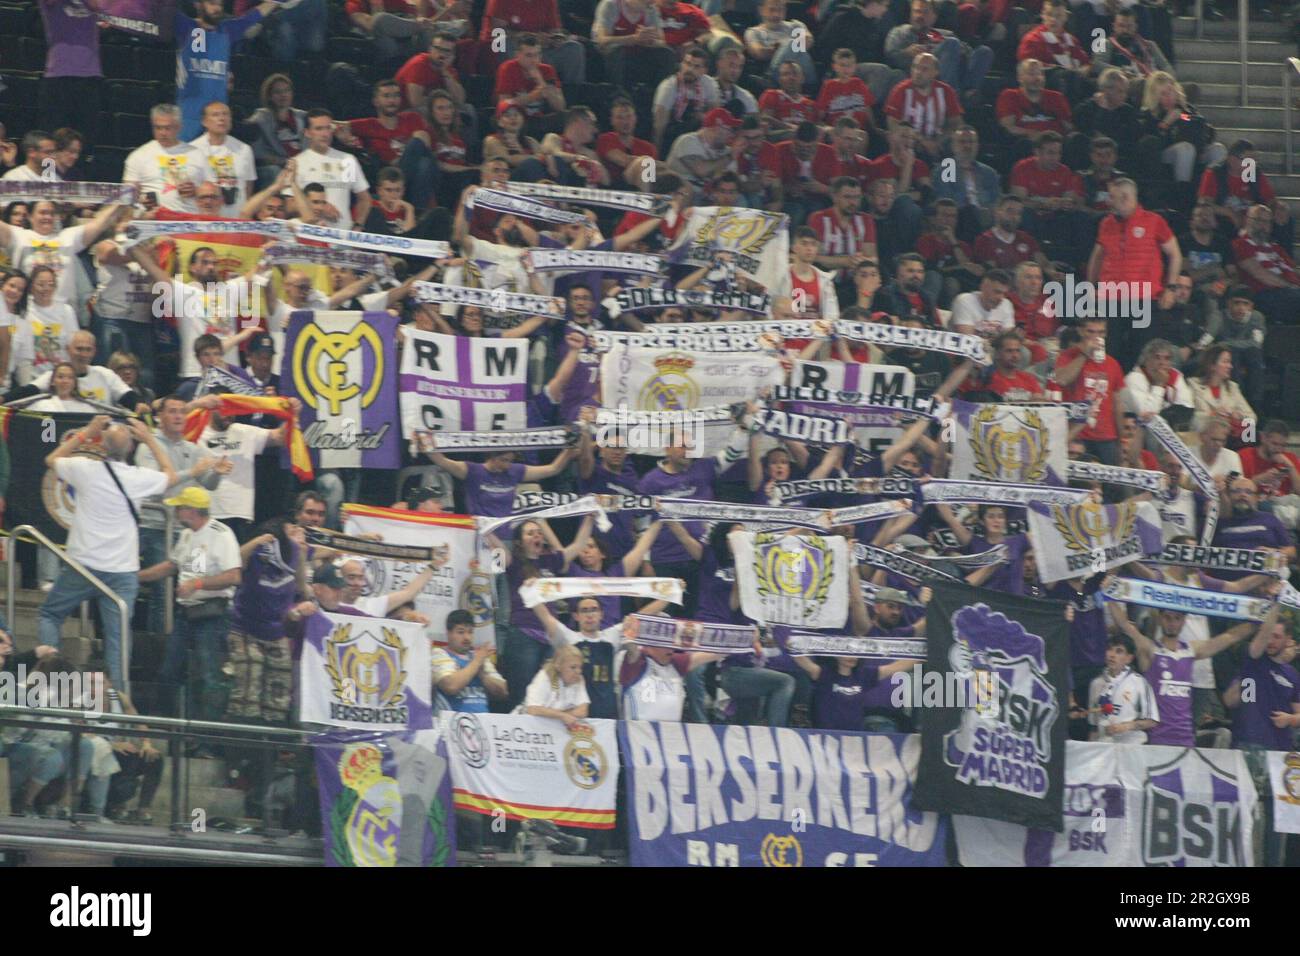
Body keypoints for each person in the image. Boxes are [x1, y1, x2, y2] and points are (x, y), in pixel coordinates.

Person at [38, 416, 179, 689]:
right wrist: (150, 438)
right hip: (122, 571)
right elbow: (170, 475)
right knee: (118, 640)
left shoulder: (84, 468)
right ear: (130, 449)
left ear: (101, 445)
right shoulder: (138, 478)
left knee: (50, 615)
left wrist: (85, 433)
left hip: (83, 566)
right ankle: (117, 710)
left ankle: (50, 684)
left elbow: (51, 459)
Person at [140, 486, 242, 724]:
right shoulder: (187, 535)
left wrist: (197, 583)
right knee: (169, 670)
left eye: (179, 507)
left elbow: (233, 576)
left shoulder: (221, 534)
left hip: (212, 614)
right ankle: (169, 726)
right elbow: (171, 565)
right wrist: (137, 576)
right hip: (186, 613)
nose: (175, 512)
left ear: (191, 510)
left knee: (209, 675)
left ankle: (206, 738)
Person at [1224, 602, 1297, 868]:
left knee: (1282, 820)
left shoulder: (1292, 674)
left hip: (1283, 755)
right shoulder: (1253, 662)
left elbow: (1298, 714)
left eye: (1278, 636)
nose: (1272, 641)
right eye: (1270, 635)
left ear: (1289, 639)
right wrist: (1275, 602)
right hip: (1250, 747)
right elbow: (1233, 699)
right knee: (1247, 814)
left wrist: (1291, 719)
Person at [1085, 178, 1181, 369]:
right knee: (1109, 352)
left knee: (1141, 353)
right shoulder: (1106, 223)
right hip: (1111, 298)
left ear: (1126, 197)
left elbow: (1175, 255)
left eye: (1112, 197)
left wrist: (1170, 288)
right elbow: (1097, 257)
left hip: (1144, 299)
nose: (1108, 201)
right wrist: (1090, 287)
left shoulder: (1154, 221)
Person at [792, 650, 920, 732]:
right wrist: (793, 645)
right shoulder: (824, 674)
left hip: (855, 740)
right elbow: (804, 662)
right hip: (827, 738)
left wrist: (921, 653)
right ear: (836, 653)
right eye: (847, 651)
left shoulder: (863, 674)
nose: (852, 656)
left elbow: (894, 668)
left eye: (855, 651)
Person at [885, 0, 991, 94]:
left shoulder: (946, 34)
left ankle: (969, 91)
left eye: (925, 12)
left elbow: (968, 51)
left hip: (952, 70)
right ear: (910, 14)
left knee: (984, 51)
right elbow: (889, 54)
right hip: (920, 70)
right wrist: (906, 53)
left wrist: (958, 51)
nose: (920, 16)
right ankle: (950, 93)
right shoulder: (899, 32)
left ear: (934, 16)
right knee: (951, 43)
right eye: (917, 11)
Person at [292, 109, 372, 230]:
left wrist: (358, 227)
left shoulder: (347, 160)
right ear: (307, 132)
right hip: (312, 238)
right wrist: (320, 207)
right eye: (319, 129)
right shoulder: (297, 163)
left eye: (328, 128)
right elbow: (289, 204)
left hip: (344, 239)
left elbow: (365, 199)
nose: (325, 134)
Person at [1231, 204, 1300, 327]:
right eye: (1258, 220)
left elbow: (1293, 270)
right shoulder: (1240, 244)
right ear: (1248, 220)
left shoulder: (1276, 248)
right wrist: (1290, 286)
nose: (1263, 225)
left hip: (1289, 293)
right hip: (1264, 294)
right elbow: (1259, 273)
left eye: (1267, 222)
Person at [431, 609, 508, 712]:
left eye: (470, 632)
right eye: (461, 632)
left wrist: (483, 675)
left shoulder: (480, 657)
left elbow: (503, 692)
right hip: (451, 723)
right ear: (449, 633)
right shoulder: (439, 653)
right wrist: (476, 663)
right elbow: (451, 686)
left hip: (484, 723)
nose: (467, 637)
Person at [1086, 634, 1159, 744]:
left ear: (1129, 658)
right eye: (1109, 649)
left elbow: (1152, 720)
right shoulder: (1096, 683)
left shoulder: (1140, 682)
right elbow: (1094, 726)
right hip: (1103, 747)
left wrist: (1128, 726)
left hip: (1132, 746)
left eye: (1119, 651)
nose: (1112, 655)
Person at [245, 74, 307, 188]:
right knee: (274, 172)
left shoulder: (302, 116)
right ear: (269, 96)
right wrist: (284, 162)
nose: (283, 95)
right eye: (277, 92)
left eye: (287, 90)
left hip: (301, 165)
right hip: (276, 167)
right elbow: (258, 153)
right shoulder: (260, 118)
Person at [1187, 344, 1256, 438]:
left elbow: (1252, 417)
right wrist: (1213, 415)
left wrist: (1239, 416)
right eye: (1225, 362)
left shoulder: (1233, 388)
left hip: (1230, 439)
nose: (1230, 366)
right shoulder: (1193, 385)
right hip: (1202, 439)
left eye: (1230, 362)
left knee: (1250, 435)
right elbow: (1192, 421)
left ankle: (1245, 449)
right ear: (1212, 365)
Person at [745, 0, 817, 85]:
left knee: (792, 45)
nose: (776, 14)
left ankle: (770, 77)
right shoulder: (754, 32)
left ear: (785, 10)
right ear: (761, 10)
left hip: (803, 73)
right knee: (793, 44)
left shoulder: (795, 25)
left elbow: (808, 40)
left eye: (780, 10)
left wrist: (783, 46)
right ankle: (773, 76)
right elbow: (759, 53)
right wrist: (783, 48)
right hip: (778, 74)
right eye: (772, 10)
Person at [521, 644, 589, 727]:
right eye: (573, 667)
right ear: (558, 666)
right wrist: (562, 716)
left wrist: (551, 714)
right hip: (525, 726)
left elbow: (582, 711)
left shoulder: (579, 680)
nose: (578, 671)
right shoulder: (544, 676)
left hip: (552, 727)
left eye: (580, 667)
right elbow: (532, 709)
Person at [1240, 420, 1300, 501]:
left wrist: (1290, 466)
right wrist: (1259, 480)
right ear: (1263, 438)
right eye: (1274, 444)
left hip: (1283, 505)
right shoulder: (1245, 455)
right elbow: (1237, 491)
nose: (1279, 449)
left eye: (1283, 445)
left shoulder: (1289, 458)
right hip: (1256, 505)